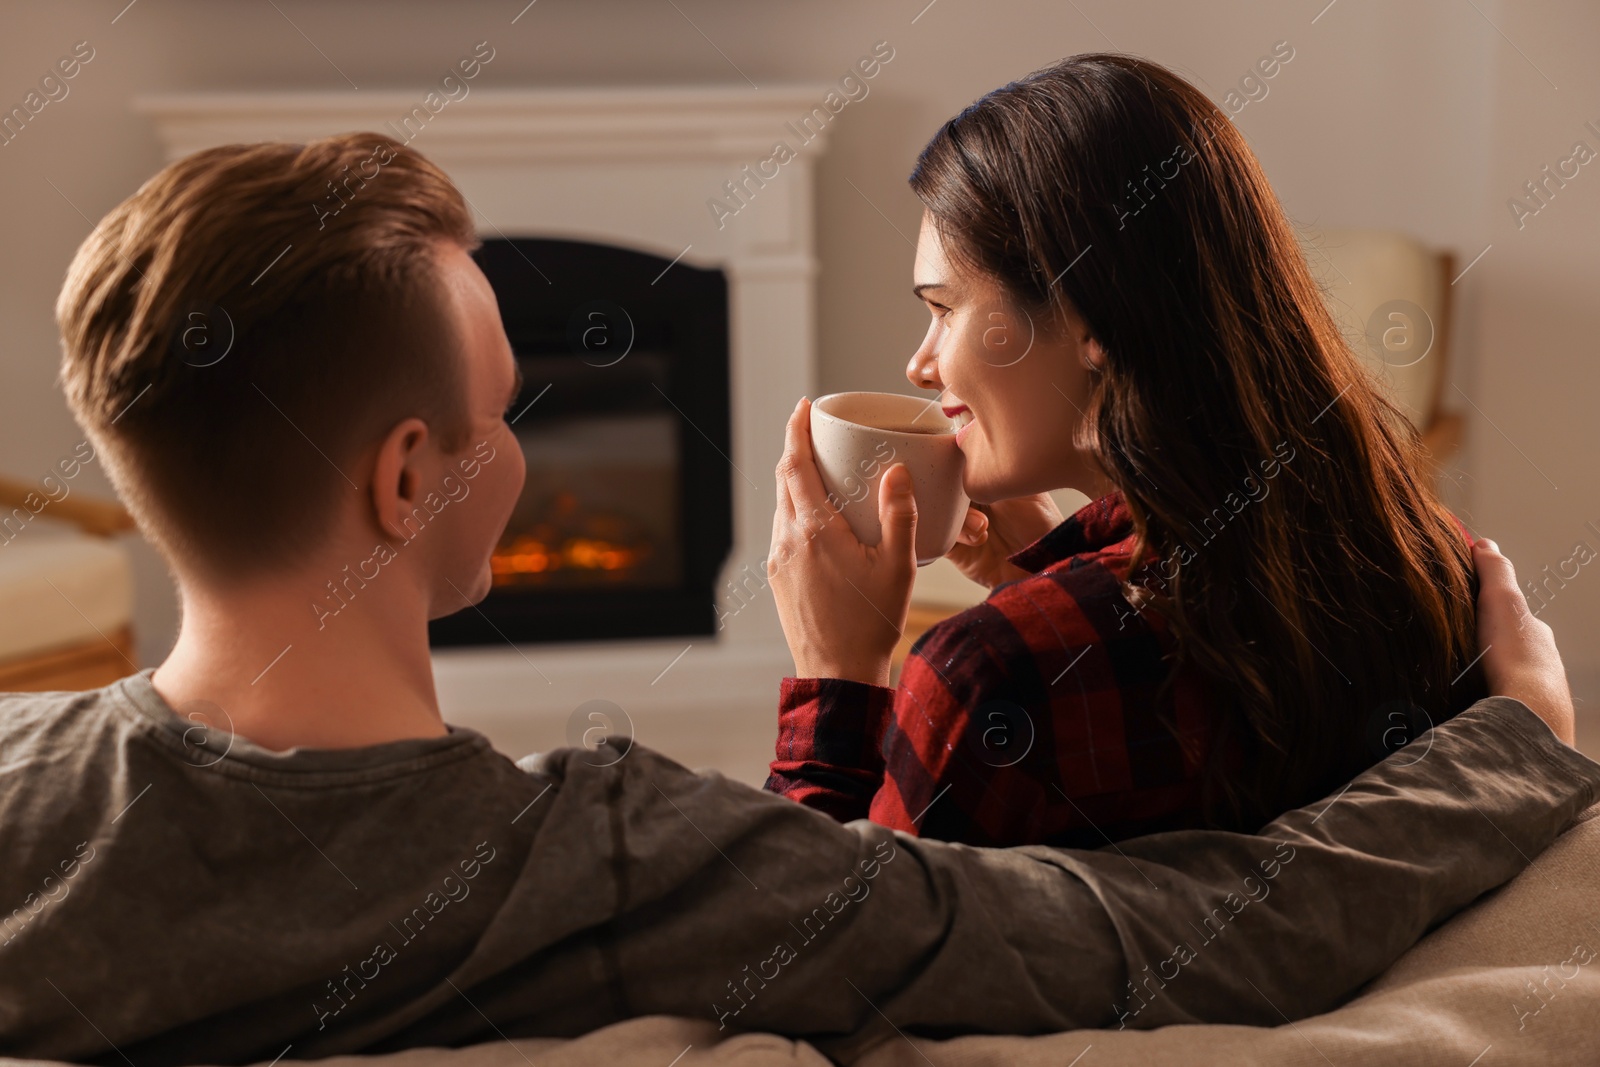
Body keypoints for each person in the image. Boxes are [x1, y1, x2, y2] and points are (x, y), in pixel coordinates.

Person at [1, 130, 1591, 1066]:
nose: (524, 450)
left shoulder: (22, 794)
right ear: (411, 478)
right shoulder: (612, 860)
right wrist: (1513, 740)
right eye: (504, 408)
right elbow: (1176, 936)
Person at [765, 53, 1486, 846]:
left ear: (1088, 319)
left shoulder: (985, 676)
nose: (921, 363)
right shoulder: (1437, 564)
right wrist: (1039, 579)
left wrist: (835, 673)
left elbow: (813, 952)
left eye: (944, 308)